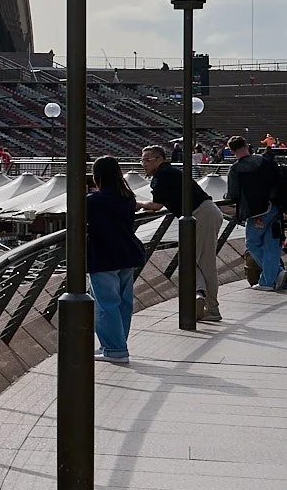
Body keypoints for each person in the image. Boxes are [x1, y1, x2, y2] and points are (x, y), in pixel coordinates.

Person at [141, 143, 221, 322]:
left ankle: (213, 309)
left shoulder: (161, 175)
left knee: (204, 263)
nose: (143, 164)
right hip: (204, 213)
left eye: (147, 160)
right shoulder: (170, 172)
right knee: (191, 260)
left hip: (201, 215)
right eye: (142, 160)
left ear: (160, 159)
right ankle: (199, 294)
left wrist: (135, 204)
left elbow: (156, 206)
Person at [86, 155, 147, 364]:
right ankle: (116, 344)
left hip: (103, 256)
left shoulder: (93, 201)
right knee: (123, 303)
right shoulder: (127, 197)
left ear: (97, 176)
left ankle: (114, 348)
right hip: (127, 253)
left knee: (105, 304)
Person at [223, 134, 284, 291]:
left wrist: (226, 197)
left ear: (231, 151)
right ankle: (270, 279)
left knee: (253, 243)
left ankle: (273, 276)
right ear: (246, 146)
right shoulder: (266, 161)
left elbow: (233, 194)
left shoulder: (236, 168)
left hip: (255, 211)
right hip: (275, 207)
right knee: (272, 243)